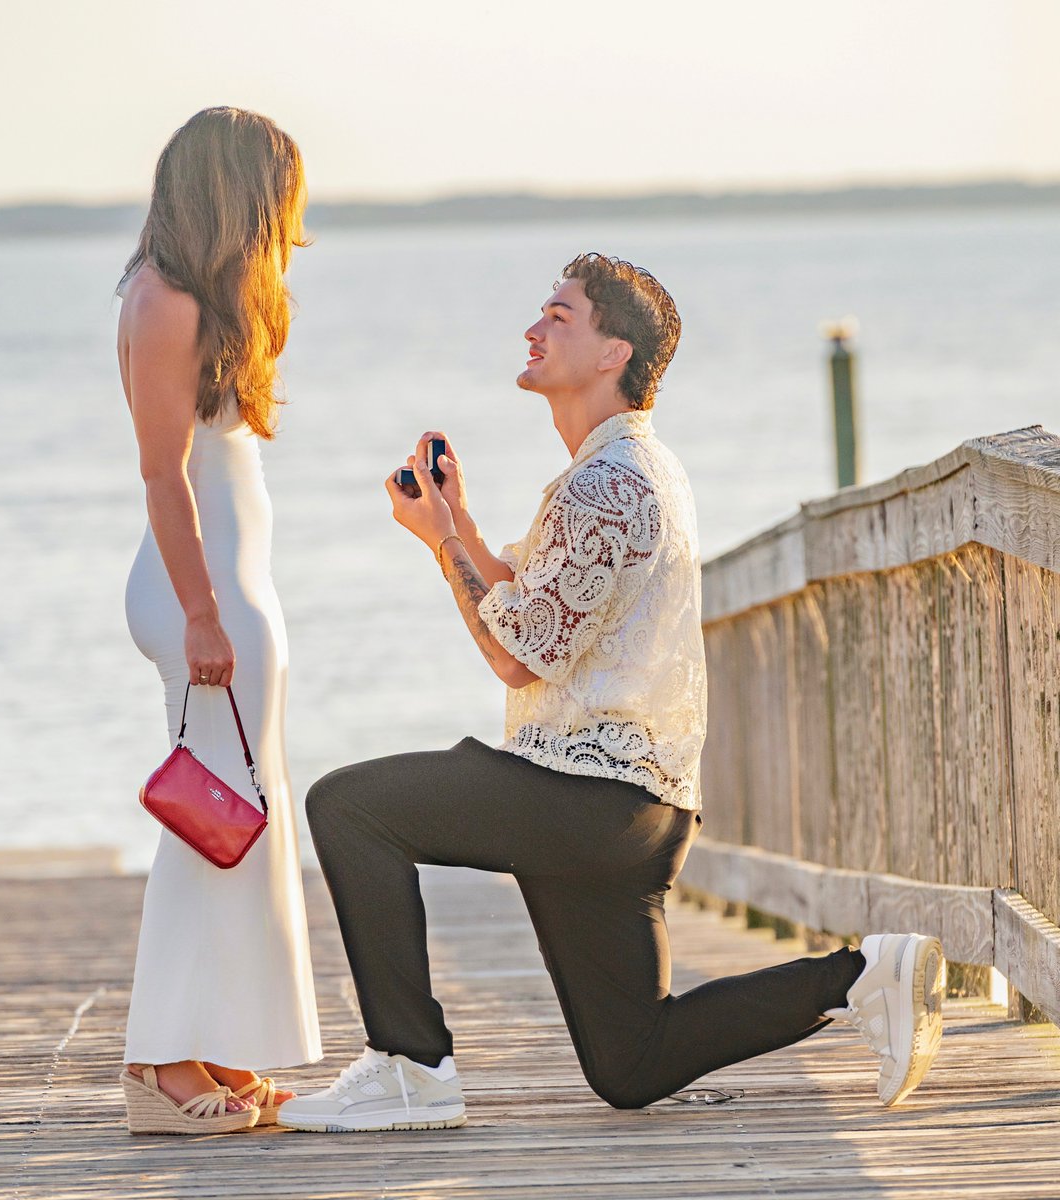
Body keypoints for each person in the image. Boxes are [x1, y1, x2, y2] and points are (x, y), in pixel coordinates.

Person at [275, 252, 945, 1134]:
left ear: (611, 353)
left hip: (587, 794)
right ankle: (864, 975)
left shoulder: (608, 482)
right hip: (634, 809)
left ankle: (410, 1068)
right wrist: (458, 521)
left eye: (559, 316)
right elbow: (533, 600)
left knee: (349, 807)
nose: (533, 328)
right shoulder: (626, 469)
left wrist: (443, 545)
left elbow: (518, 655)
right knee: (633, 1063)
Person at [115, 107, 321, 1135]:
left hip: (235, 588)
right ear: (233, 192)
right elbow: (164, 474)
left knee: (242, 820)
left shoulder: (210, 299)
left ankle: (219, 1045)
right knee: (208, 824)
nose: (287, 219)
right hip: (200, 594)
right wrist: (202, 615)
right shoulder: (162, 300)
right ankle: (158, 1063)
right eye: (277, 196)